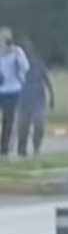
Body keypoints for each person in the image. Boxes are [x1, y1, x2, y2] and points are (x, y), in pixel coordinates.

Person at [16, 38, 53, 158]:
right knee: (22, 128)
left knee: (38, 125)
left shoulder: (38, 64)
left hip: (37, 101)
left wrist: (52, 96)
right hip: (22, 101)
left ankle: (36, 148)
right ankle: (22, 151)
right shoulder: (17, 64)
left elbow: (47, 80)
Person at [0, 28, 29, 158]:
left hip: (13, 90)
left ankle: (4, 148)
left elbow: (25, 67)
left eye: (7, 38)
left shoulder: (17, 52)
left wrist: (16, 56)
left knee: (8, 120)